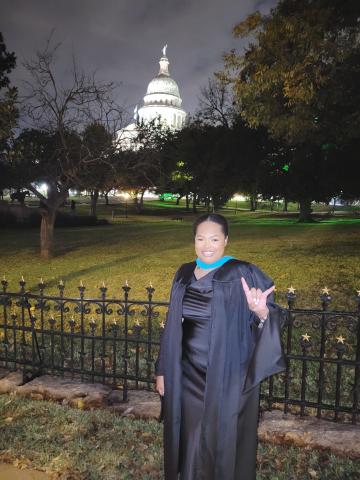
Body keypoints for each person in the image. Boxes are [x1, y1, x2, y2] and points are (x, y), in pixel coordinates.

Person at [155, 213, 285, 480]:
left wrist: (260, 312)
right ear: (194, 240)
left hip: (227, 372)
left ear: (226, 239)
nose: (207, 245)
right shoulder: (183, 273)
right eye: (201, 238)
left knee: (221, 437)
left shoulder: (242, 272)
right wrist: (163, 369)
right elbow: (172, 324)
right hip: (187, 371)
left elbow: (271, 316)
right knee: (192, 435)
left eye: (214, 238)